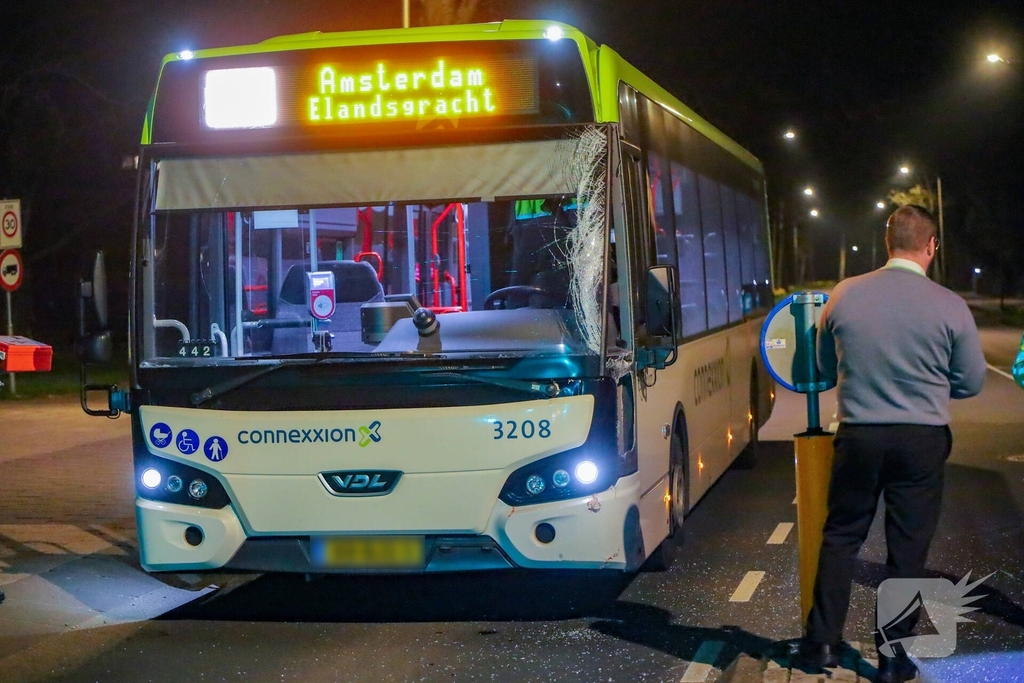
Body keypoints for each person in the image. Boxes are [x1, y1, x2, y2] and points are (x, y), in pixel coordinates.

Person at [799, 205, 987, 682]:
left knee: (842, 536)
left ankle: (820, 644)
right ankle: (890, 658)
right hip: (921, 439)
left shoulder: (844, 295)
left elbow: (822, 369)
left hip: (859, 435)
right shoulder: (950, 304)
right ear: (931, 246)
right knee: (907, 551)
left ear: (888, 244)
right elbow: (970, 381)